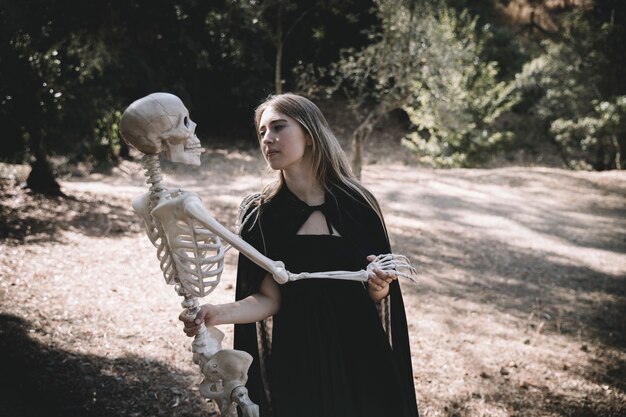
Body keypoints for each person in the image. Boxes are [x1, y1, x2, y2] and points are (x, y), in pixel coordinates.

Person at [180, 93, 419, 417]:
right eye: (262, 132)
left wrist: (379, 284)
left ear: (309, 133)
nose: (267, 139)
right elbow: (269, 297)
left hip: (361, 350)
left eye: (278, 127)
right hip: (298, 354)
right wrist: (217, 314)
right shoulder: (261, 214)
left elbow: (379, 295)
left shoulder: (358, 205)